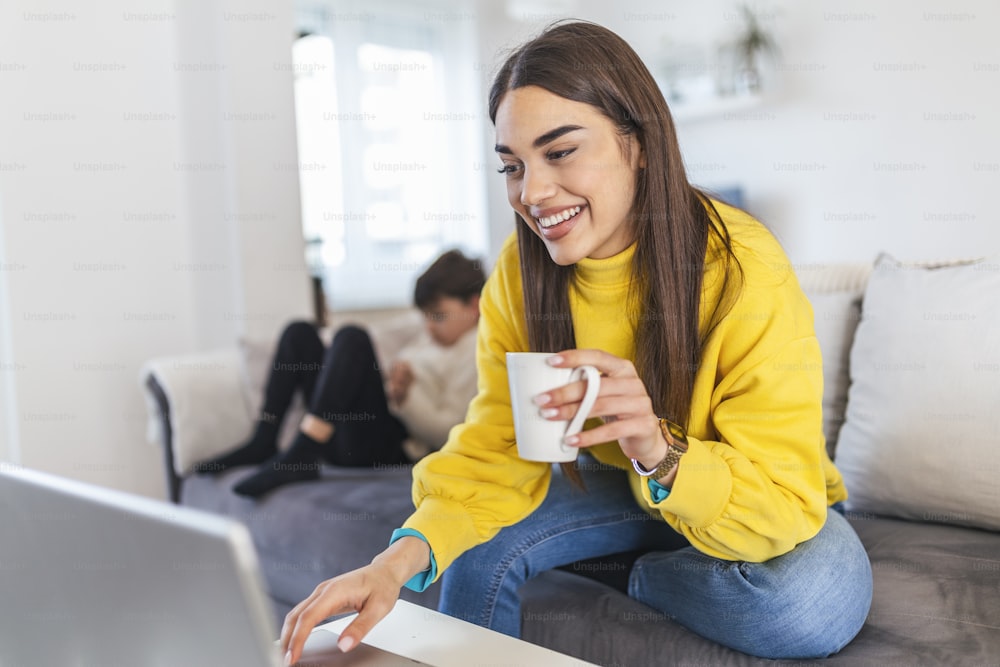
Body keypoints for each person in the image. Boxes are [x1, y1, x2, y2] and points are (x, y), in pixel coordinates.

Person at [279, 21, 873, 663]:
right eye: (513, 166)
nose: (531, 193)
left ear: (638, 142)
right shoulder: (518, 272)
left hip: (738, 486)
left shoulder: (742, 266)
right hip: (601, 481)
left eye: (559, 152)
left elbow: (783, 496)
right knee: (475, 549)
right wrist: (393, 563)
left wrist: (657, 447)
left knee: (811, 603)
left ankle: (624, 569)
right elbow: (498, 443)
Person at [197, 249, 485, 498]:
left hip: (389, 450)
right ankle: (264, 439)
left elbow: (448, 433)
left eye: (438, 315)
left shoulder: (477, 350)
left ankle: (303, 453)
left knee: (352, 337)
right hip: (351, 434)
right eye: (425, 316)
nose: (429, 326)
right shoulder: (432, 339)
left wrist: (404, 398)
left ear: (474, 305)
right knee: (299, 333)